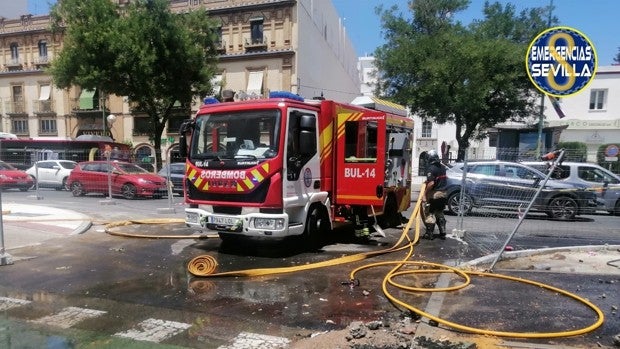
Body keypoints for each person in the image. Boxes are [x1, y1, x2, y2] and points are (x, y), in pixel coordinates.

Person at [422, 150, 448, 240]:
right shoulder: (442, 167)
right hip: (444, 194)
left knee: (429, 213)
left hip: (435, 194)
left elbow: (432, 183)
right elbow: (438, 179)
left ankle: (429, 234)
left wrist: (424, 194)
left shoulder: (431, 168)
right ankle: (443, 232)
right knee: (439, 212)